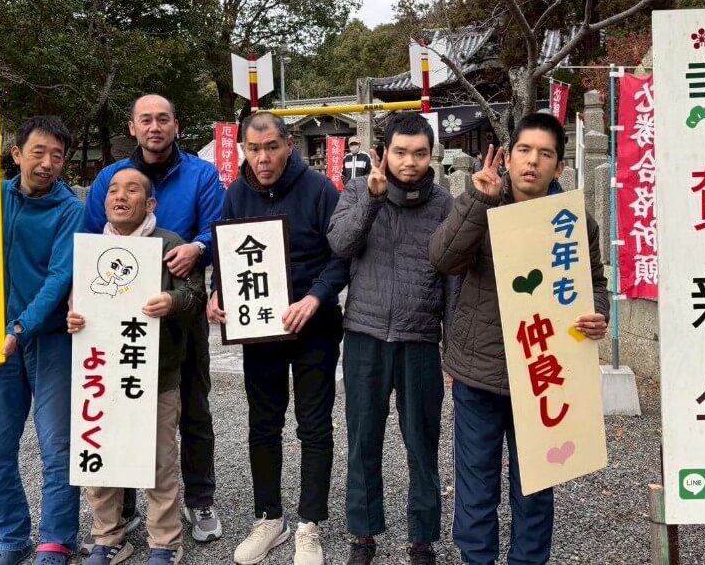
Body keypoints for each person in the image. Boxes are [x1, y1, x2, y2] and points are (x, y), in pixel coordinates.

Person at [429, 112, 609, 565]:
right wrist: (477, 201)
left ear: (559, 166)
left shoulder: (573, 223)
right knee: (476, 481)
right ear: (508, 157)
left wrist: (599, 315)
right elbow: (443, 259)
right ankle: (477, 559)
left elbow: (595, 283)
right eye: (524, 151)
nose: (532, 162)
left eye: (545, 154)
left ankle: (528, 560)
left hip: (544, 371)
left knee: (537, 484)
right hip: (480, 370)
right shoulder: (482, 201)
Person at [83, 94, 225, 548]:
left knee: (192, 406)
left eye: (163, 119)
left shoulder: (201, 174)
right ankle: (123, 508)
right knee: (118, 406)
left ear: (176, 125)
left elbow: (218, 228)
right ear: (132, 128)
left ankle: (199, 498)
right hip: (119, 315)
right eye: (145, 120)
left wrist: (197, 248)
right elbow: (88, 240)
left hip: (181, 306)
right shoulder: (111, 178)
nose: (154, 127)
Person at [207, 112, 349, 565]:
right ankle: (269, 517)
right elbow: (226, 256)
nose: (263, 158)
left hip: (313, 326)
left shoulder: (320, 190)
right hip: (261, 329)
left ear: (289, 144)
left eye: (271, 147)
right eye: (254, 149)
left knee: (314, 424)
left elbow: (342, 256)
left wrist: (316, 298)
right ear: (243, 150)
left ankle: (309, 523)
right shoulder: (237, 194)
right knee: (263, 424)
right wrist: (217, 293)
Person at [326, 113, 459, 565]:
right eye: (400, 152)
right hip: (365, 334)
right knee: (363, 439)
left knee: (422, 442)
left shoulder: (444, 205)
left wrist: (451, 349)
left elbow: (453, 280)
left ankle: (422, 539)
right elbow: (341, 244)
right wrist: (372, 200)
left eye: (420, 153)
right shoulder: (358, 191)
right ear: (384, 153)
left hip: (419, 338)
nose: (409, 162)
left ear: (431, 155)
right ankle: (363, 535)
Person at [69, 167, 206, 565]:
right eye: (114, 190)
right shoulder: (92, 249)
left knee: (159, 461)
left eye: (132, 190)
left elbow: (196, 296)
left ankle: (165, 542)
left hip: (157, 375)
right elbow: (78, 302)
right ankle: (108, 537)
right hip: (99, 375)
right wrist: (73, 318)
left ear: (149, 204)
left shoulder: (170, 244)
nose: (120, 196)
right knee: (100, 456)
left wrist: (172, 302)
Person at [0, 116, 85, 565]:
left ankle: (56, 539)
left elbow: (60, 278)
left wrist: (19, 329)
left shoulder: (70, 209)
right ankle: (11, 537)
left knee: (57, 447)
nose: (47, 163)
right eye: (38, 152)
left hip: (50, 339)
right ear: (16, 153)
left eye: (56, 156)